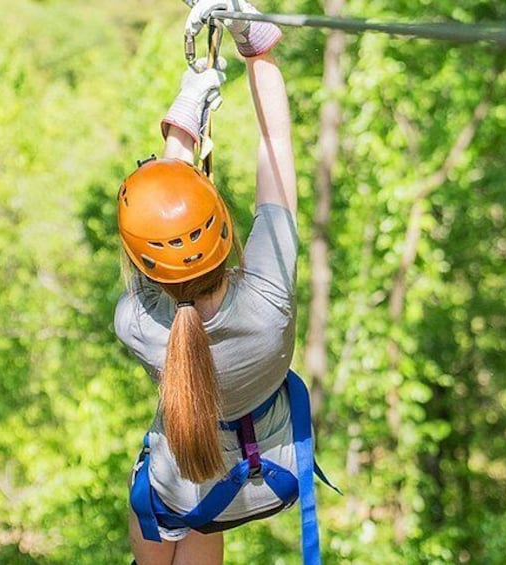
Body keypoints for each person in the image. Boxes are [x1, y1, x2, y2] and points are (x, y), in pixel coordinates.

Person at [115, 2, 323, 563]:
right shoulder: (268, 302)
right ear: (226, 231)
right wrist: (254, 42)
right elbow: (276, 146)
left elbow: (159, 217)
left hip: (185, 489)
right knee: (206, 511)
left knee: (176, 515)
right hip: (259, 476)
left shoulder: (136, 325)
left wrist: (188, 108)